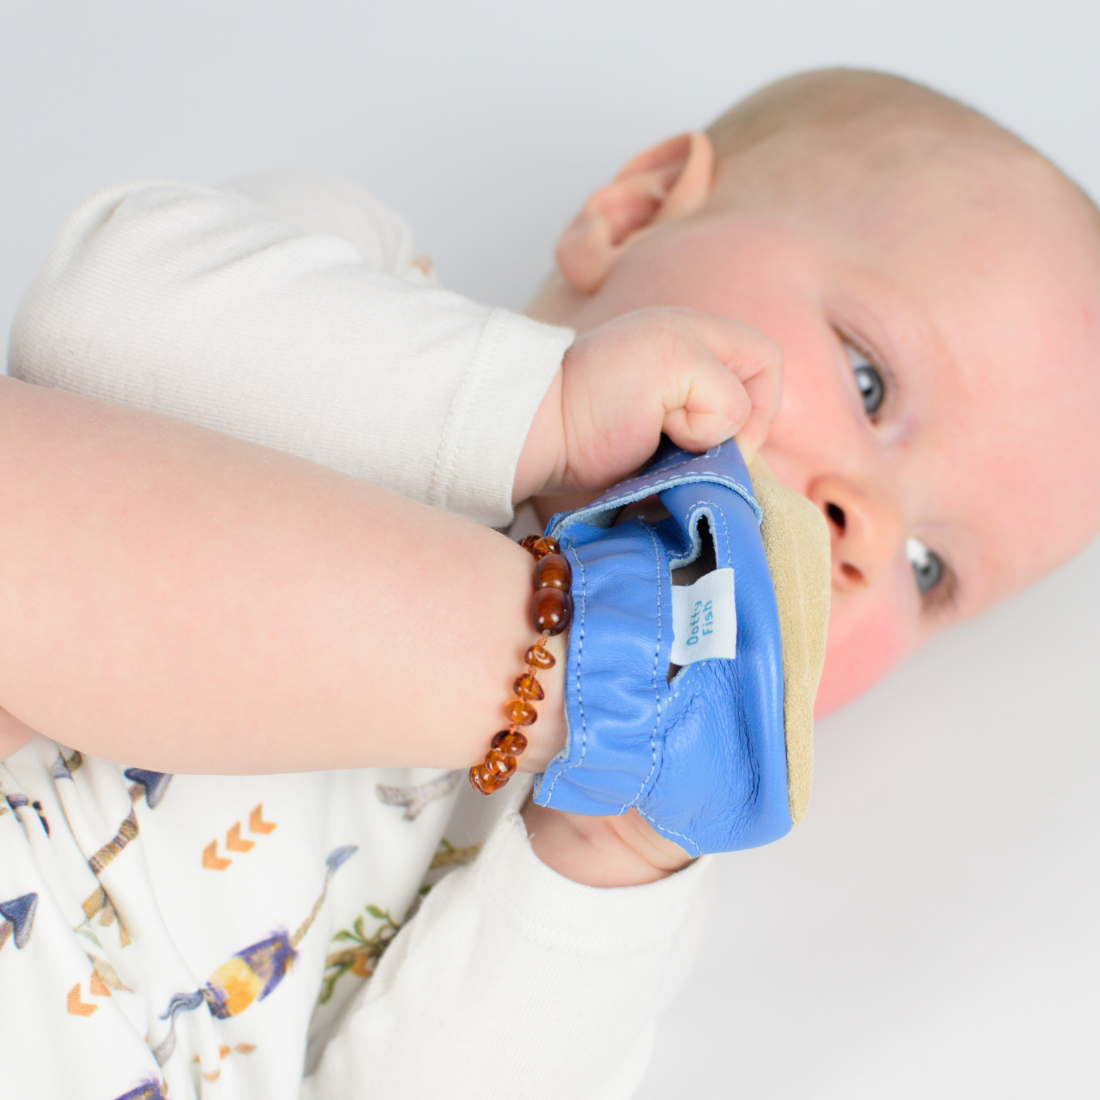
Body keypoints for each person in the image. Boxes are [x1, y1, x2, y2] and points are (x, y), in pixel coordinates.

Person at [2, 68, 1099, 1098]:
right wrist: (537, 409)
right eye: (867, 378)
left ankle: (588, 674)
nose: (864, 529)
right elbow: (85, 323)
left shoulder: (621, 866)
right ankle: (577, 655)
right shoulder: (349, 290)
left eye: (928, 568)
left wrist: (609, 861)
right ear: (634, 210)